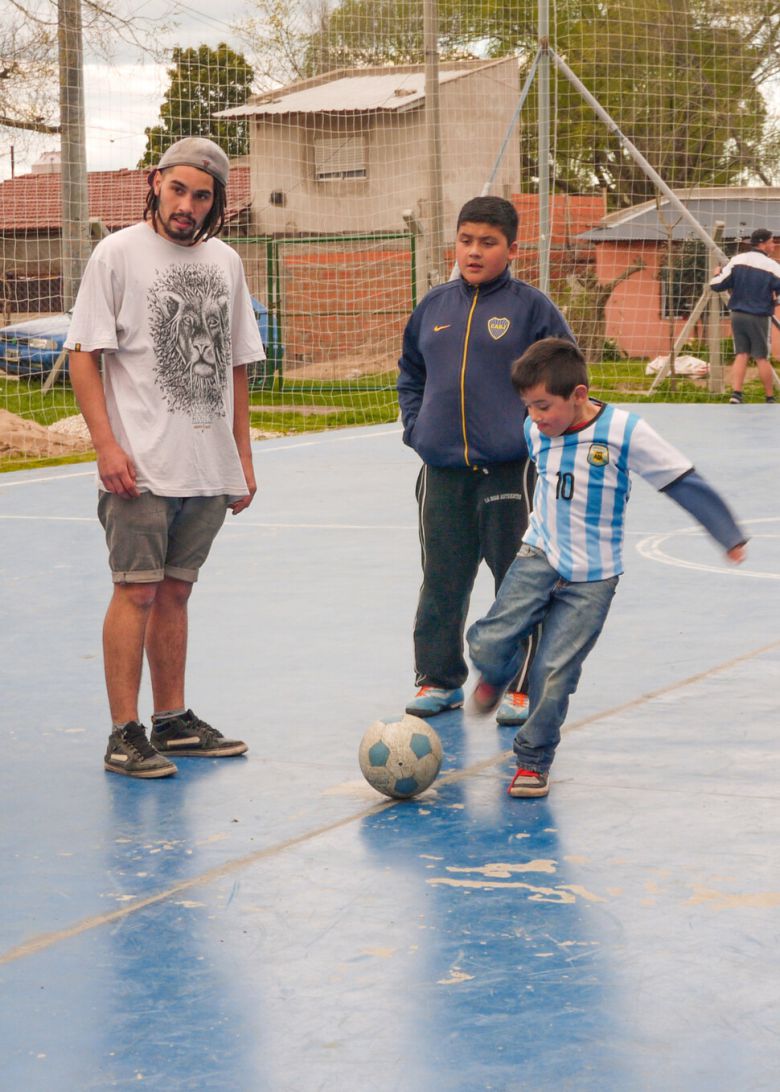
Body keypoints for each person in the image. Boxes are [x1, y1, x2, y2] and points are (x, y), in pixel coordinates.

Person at [466, 337, 747, 798]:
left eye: (543, 406)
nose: (535, 417)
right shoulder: (536, 431)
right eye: (528, 407)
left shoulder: (624, 431)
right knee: (488, 641)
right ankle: (498, 670)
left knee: (554, 673)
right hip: (539, 556)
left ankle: (532, 761)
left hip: (593, 579)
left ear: (578, 395)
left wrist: (726, 532)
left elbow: (680, 479)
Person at [66, 136, 266, 779]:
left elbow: (237, 364)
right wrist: (106, 445)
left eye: (201, 195)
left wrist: (242, 455)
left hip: (206, 463)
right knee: (137, 591)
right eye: (178, 190)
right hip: (141, 463)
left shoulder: (227, 262)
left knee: (176, 591)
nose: (187, 205)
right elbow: (83, 353)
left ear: (216, 201)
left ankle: (172, 721)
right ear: (155, 183)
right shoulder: (117, 253)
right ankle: (124, 733)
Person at [397, 195, 574, 725]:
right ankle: (439, 679)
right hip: (442, 472)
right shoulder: (433, 306)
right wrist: (417, 427)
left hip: (511, 471)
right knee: (441, 579)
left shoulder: (531, 308)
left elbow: (565, 381)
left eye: (488, 243)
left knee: (518, 582)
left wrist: (540, 433)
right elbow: (411, 373)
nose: (474, 252)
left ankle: (522, 684)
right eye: (466, 240)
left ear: (512, 249)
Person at [710, 227, 780, 404]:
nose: (774, 245)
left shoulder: (737, 260)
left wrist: (716, 274)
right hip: (759, 315)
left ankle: (736, 394)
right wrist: (775, 301)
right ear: (763, 244)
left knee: (741, 354)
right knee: (761, 356)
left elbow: (717, 285)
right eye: (772, 241)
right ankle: (770, 397)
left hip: (737, 314)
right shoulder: (773, 267)